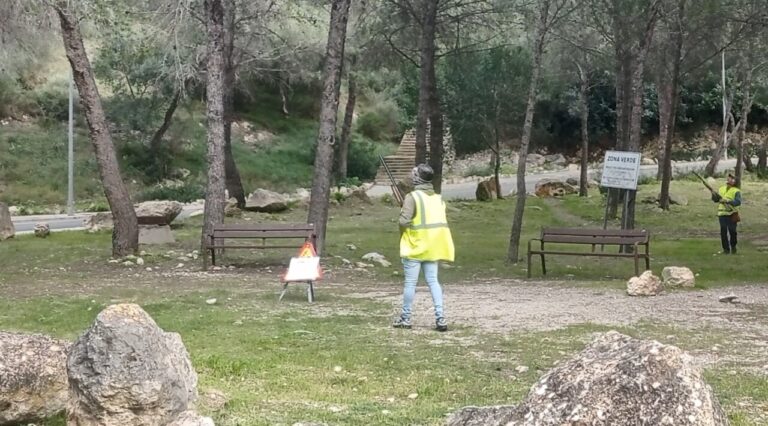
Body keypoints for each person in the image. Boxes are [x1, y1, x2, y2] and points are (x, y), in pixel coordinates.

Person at [393, 164, 455, 332]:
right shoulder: (438, 198)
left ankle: (405, 318)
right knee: (434, 282)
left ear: (417, 178)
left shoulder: (412, 197)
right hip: (433, 247)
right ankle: (440, 317)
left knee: (410, 284)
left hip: (414, 246)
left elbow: (403, 222)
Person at [711, 173, 742, 254]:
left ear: (735, 181)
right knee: (723, 232)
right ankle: (726, 250)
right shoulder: (721, 189)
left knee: (732, 232)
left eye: (732, 178)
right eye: (729, 178)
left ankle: (733, 247)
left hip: (732, 214)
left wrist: (728, 201)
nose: (729, 179)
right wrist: (713, 195)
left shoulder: (736, 191)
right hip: (722, 214)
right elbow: (715, 200)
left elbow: (738, 202)